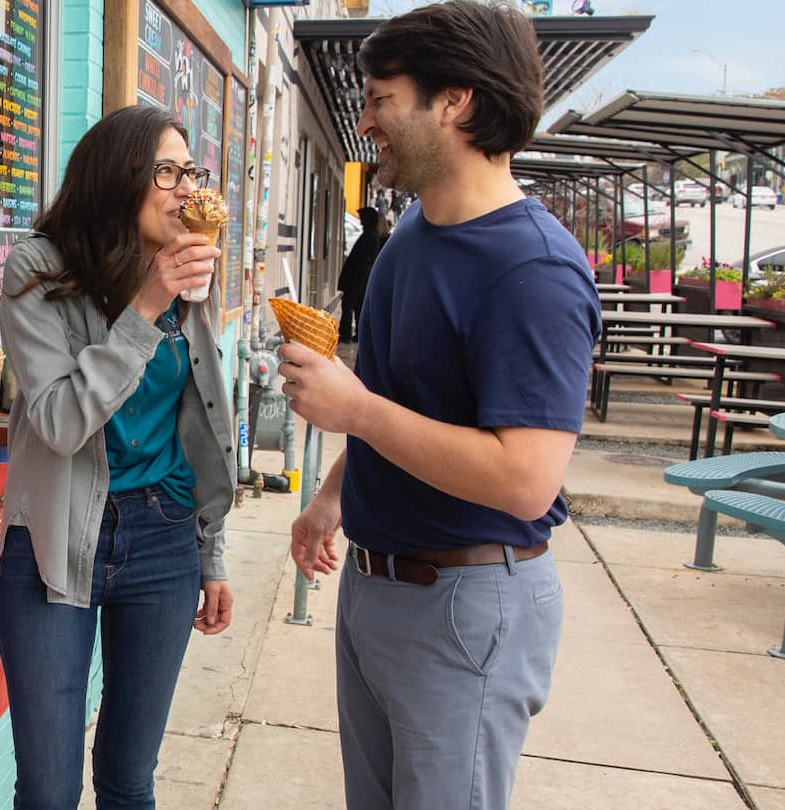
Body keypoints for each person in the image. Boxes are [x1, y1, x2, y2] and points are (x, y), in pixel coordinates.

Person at [275, 2, 601, 808]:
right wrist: (330, 499)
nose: (366, 121)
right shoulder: (411, 238)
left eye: (382, 98)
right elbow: (403, 399)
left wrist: (354, 412)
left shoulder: (534, 271)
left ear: (453, 101)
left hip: (467, 607)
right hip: (377, 588)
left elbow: (526, 479)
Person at [0, 104, 238, 809]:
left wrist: (211, 551)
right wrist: (146, 304)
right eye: (167, 171)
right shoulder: (37, 271)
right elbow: (61, 422)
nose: (187, 189)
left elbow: (202, 423)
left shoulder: (191, 275)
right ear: (117, 176)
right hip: (54, 541)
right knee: (48, 791)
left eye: (191, 171)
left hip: (164, 537)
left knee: (130, 778)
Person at [338, 206, 385, 343]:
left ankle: (346, 334)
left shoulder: (369, 237)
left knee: (349, 306)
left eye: (363, 219)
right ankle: (356, 334)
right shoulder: (371, 236)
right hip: (362, 278)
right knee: (357, 307)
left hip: (357, 279)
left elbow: (358, 259)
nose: (360, 222)